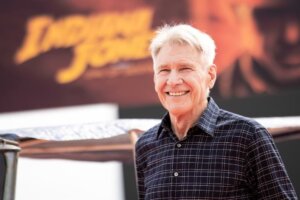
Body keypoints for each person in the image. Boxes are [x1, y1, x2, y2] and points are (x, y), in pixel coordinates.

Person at [135, 24, 297, 199]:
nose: (173, 80)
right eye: (164, 70)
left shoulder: (248, 136)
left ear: (210, 76)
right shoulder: (145, 146)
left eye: (185, 68)